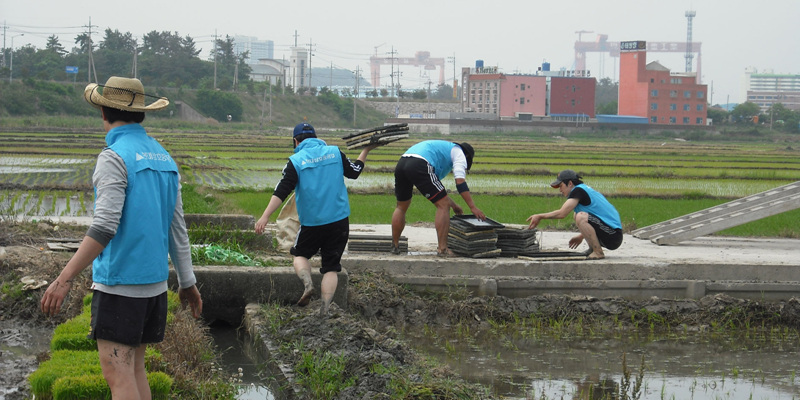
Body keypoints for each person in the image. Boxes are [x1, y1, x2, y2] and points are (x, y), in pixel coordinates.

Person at [40, 76, 203, 399]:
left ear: (103, 112)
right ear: (142, 114)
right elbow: (177, 228)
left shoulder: (114, 157)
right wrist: (187, 282)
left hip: (121, 287)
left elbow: (104, 227)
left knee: (117, 374)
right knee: (134, 369)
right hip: (154, 288)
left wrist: (64, 278)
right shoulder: (163, 158)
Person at [255, 123, 378, 316]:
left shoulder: (296, 161)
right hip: (339, 220)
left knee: (300, 255)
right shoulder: (335, 152)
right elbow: (354, 172)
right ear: (316, 137)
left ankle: (307, 283)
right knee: (331, 266)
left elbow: (282, 190)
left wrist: (265, 216)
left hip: (312, 223)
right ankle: (325, 308)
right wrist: (366, 150)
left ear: (296, 141)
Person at [391, 140, 486, 256]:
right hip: (419, 163)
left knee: (401, 207)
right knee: (443, 205)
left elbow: (439, 192)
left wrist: (454, 205)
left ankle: (394, 246)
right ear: (467, 157)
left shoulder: (442, 151)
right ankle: (443, 249)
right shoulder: (460, 154)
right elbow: (460, 182)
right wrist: (473, 207)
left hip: (402, 163)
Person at [526, 169, 623, 259]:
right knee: (577, 215)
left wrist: (540, 216)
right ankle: (592, 249)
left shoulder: (578, 190)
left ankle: (598, 252)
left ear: (570, 183)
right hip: (609, 234)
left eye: (561, 186)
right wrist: (582, 236)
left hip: (613, 235)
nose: (560, 190)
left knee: (580, 216)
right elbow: (595, 221)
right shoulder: (582, 189)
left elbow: (562, 213)